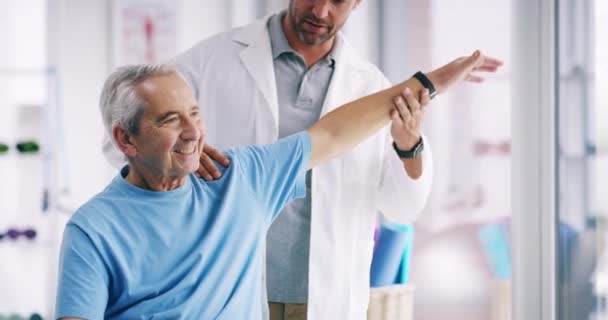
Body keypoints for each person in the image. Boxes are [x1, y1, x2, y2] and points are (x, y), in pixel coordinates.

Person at [102, 2, 503, 319]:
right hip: (224, 287)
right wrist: (184, 156)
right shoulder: (213, 58)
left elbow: (401, 208)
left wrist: (409, 145)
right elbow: (119, 138)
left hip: (325, 296)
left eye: (339, 1)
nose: (321, 11)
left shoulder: (370, 86)